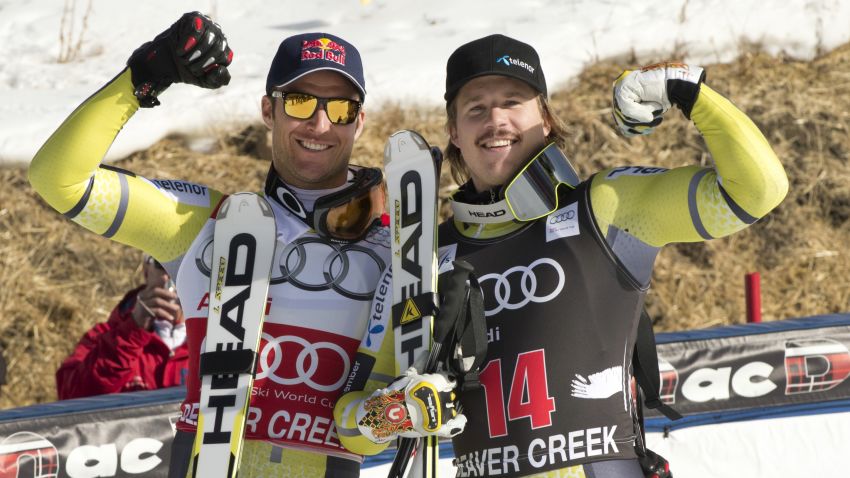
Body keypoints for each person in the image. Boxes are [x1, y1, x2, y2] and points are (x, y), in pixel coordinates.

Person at [335, 34, 788, 477]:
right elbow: (348, 423)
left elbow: (757, 191)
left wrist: (690, 93)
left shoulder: (608, 206)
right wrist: (390, 414)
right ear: (455, 132)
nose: (495, 119)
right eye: (475, 108)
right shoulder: (422, 258)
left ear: (546, 118)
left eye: (513, 102)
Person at [29, 11, 390, 478]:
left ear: (358, 123)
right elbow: (59, 181)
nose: (320, 124)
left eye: (339, 108)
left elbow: (389, 409)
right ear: (268, 110)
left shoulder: (395, 248)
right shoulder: (207, 224)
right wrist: (147, 75)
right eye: (300, 102)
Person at [56, 255, 187, 399]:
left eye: (187, 265)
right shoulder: (104, 336)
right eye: (163, 264)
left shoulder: (211, 339)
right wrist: (133, 330)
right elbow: (71, 397)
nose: (175, 275)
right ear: (146, 270)